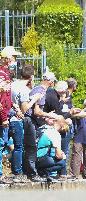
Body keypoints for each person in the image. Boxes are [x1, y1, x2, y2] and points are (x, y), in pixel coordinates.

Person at [24, 71, 61, 182]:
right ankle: (32, 174)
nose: (53, 83)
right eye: (53, 81)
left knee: (29, 147)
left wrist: (44, 117)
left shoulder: (36, 88)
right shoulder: (41, 91)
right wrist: (49, 115)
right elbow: (36, 111)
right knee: (32, 148)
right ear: (49, 81)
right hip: (30, 121)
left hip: (30, 120)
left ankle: (32, 172)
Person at [10, 64, 42, 183]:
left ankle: (17, 172)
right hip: (18, 120)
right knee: (22, 147)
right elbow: (24, 109)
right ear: (31, 77)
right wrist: (35, 99)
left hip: (10, 117)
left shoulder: (13, 84)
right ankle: (20, 173)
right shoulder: (23, 89)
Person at [0, 46, 21, 184]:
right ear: (7, 58)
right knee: (1, 144)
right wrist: (3, 117)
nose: (15, 60)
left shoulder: (6, 73)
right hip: (2, 116)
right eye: (14, 57)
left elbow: (6, 96)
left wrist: (14, 106)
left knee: (5, 143)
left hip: (6, 113)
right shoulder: (1, 74)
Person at [36, 117, 69, 182]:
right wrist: (63, 155)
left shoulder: (45, 129)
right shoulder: (55, 134)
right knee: (62, 163)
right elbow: (58, 155)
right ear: (62, 125)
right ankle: (45, 172)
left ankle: (42, 172)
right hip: (40, 159)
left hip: (34, 158)